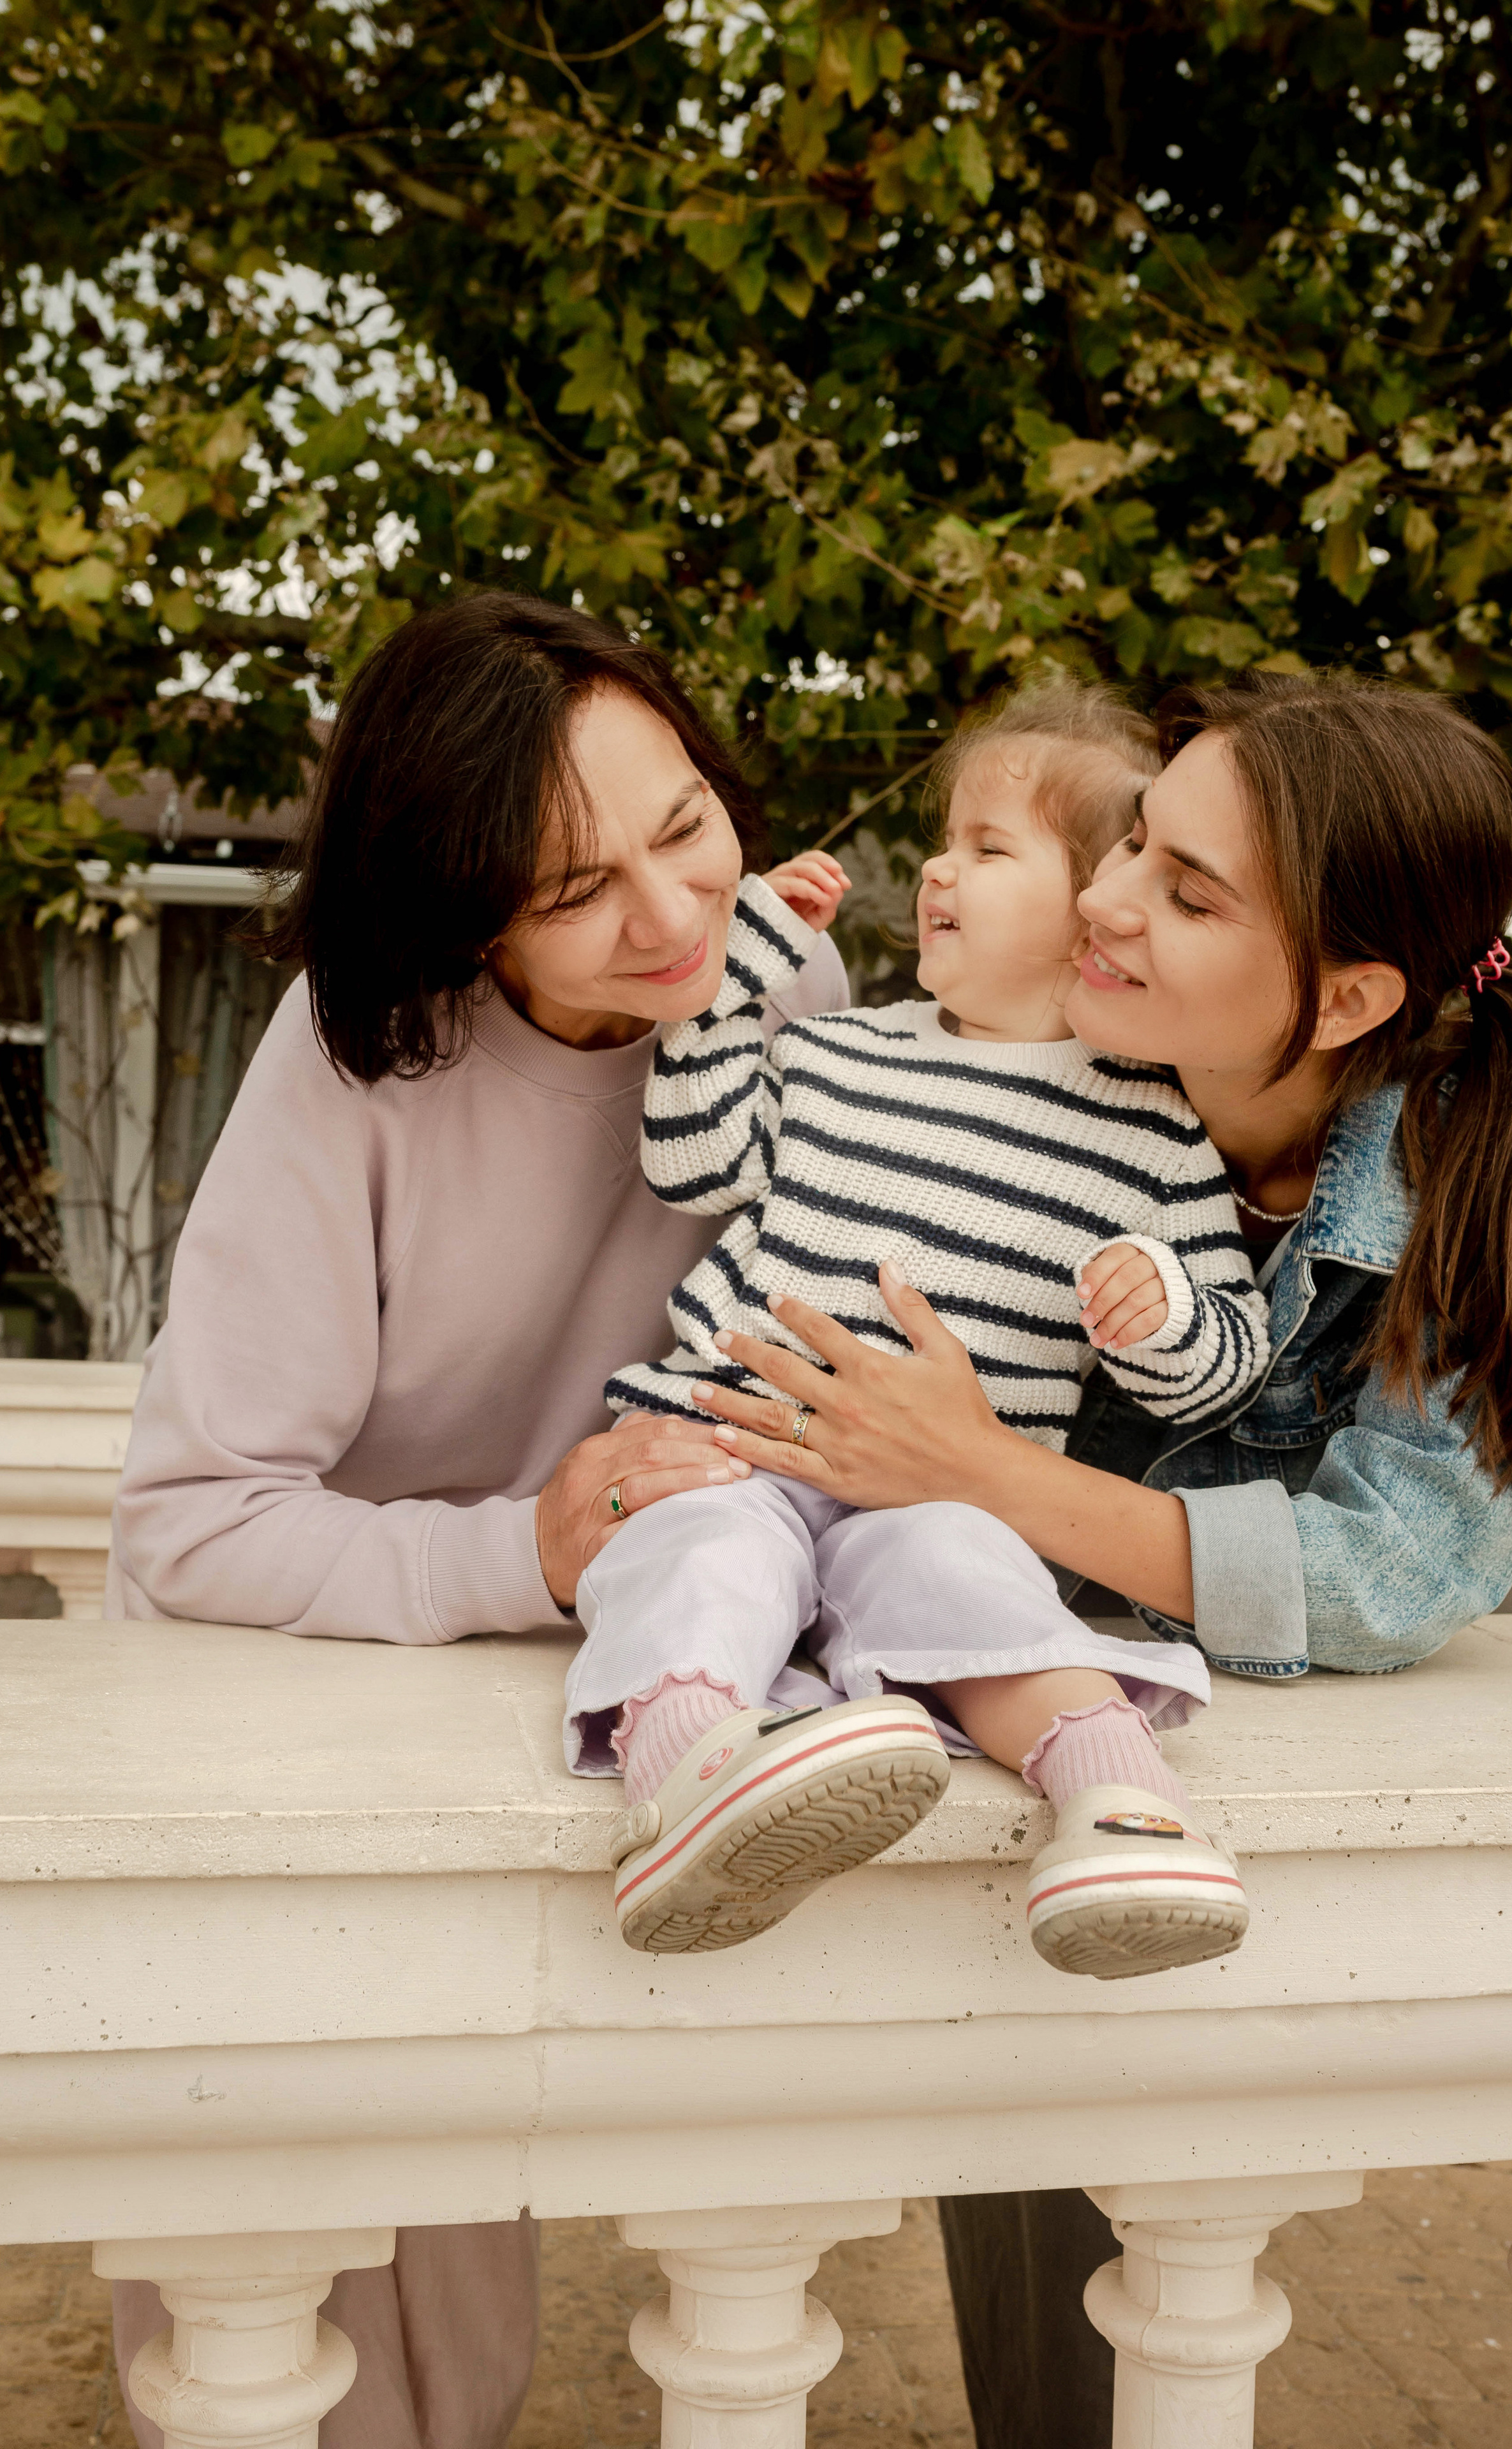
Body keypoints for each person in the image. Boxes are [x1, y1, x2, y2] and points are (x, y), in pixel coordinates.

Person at [670, 668, 1512, 2449]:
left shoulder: (1444, 1182)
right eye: (1131, 848)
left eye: (1187, 897)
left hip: (1218, 1792)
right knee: (1033, 2253)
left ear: (1345, 996)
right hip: (1016, 1738)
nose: (1108, 903)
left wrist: (988, 1472)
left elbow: (1402, 1568)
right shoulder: (1017, 1081)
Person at [103, 591, 853, 2449]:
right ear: (461, 907)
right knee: (271, 2304)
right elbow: (193, 1525)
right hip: (272, 1693)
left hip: (529, 1700)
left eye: (685, 825)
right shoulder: (359, 1053)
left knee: (467, 2286)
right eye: (578, 888)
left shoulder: (785, 997)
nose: (672, 919)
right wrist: (521, 1551)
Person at [579, 678, 1263, 1976]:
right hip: (732, 1443)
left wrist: (1160, 1315)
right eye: (947, 840)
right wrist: (732, 978)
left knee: (977, 1587)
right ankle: (690, 1778)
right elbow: (689, 1158)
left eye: (988, 849)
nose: (938, 871)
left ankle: (1121, 1809)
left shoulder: (1152, 1133)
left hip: (939, 1496)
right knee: (699, 1553)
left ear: (1093, 913)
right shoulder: (838, 1055)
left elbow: (1219, 1371)